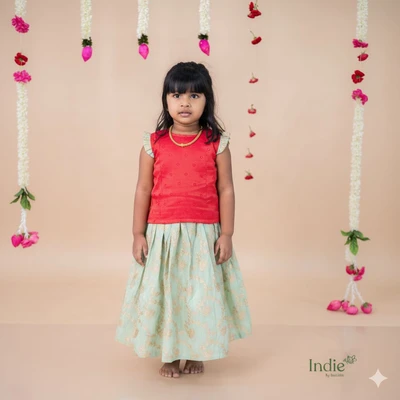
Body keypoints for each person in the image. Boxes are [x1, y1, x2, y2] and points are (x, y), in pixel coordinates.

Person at [115, 61, 252, 378]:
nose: (185, 103)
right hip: (163, 234)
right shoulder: (153, 144)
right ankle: (169, 354)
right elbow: (143, 189)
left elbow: (226, 189)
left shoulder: (217, 143)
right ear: (166, 100)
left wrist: (227, 234)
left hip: (203, 235)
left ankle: (193, 352)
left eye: (194, 95)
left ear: (207, 100)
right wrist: (138, 233)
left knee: (197, 296)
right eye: (176, 95)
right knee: (169, 295)